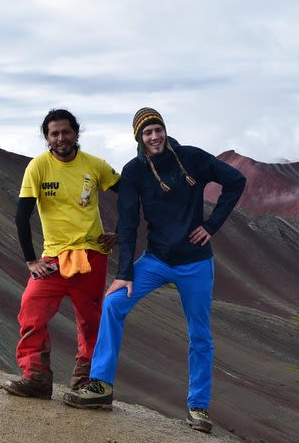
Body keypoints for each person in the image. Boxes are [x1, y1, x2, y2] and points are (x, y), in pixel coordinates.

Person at [63, 107, 245, 434]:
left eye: (157, 129)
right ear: (139, 138)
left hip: (196, 263)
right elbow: (129, 223)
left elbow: (236, 180)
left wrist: (212, 225)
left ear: (164, 130)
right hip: (156, 260)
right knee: (114, 303)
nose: (154, 137)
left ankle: (198, 407)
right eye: (147, 133)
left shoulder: (191, 158)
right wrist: (124, 273)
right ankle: (101, 386)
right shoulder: (133, 172)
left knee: (200, 334)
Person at [1, 108, 121, 400]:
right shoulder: (38, 167)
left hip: (92, 255)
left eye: (66, 132)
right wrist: (31, 260)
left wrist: (121, 231)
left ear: (76, 133)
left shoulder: (95, 165)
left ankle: (85, 384)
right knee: (31, 308)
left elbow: (129, 195)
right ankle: (36, 377)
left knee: (91, 320)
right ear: (47, 137)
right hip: (53, 259)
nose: (61, 138)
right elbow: (22, 215)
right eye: (54, 133)